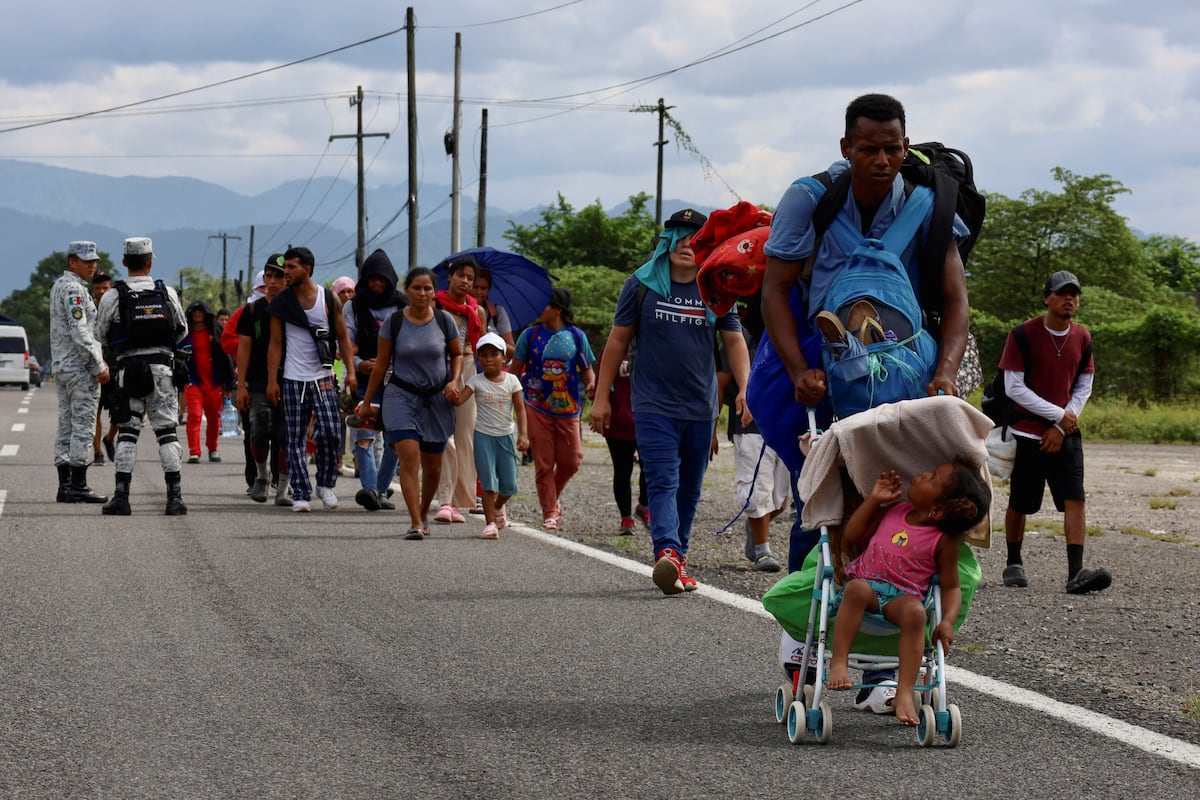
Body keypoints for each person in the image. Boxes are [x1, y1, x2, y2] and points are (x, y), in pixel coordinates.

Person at [760, 93, 972, 708]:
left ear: (906, 149)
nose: (881, 160)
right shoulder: (811, 198)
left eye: (893, 149)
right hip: (822, 373)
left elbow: (955, 300)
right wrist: (799, 369)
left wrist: (947, 372)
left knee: (901, 504)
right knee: (823, 494)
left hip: (909, 371)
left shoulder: (929, 202)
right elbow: (776, 290)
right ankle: (804, 646)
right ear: (845, 147)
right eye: (869, 149)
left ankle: (880, 665)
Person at [590, 209, 751, 594]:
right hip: (652, 404)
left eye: (694, 239)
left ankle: (678, 560)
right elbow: (616, 342)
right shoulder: (640, 286)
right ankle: (668, 551)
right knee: (663, 480)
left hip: (700, 407)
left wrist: (746, 389)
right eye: (678, 237)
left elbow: (734, 342)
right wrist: (601, 398)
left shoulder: (716, 288)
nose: (685, 245)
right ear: (665, 242)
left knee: (690, 488)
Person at [827, 461, 989, 726]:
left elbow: (951, 587)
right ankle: (839, 660)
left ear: (936, 510)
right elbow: (853, 535)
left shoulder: (942, 541)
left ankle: (904, 691)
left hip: (900, 599)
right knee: (855, 588)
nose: (923, 472)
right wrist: (874, 501)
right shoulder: (895, 510)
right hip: (866, 586)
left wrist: (947, 621)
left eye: (933, 478)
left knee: (916, 612)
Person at [999, 270, 1108, 594]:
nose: (1069, 298)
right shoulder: (1022, 334)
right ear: (1047, 298)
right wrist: (1059, 416)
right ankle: (1013, 562)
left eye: (1074, 294)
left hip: (1067, 434)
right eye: (1062, 293)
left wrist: (1063, 424)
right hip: (1029, 433)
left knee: (1075, 498)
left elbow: (1084, 385)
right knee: (1021, 501)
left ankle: (1076, 573)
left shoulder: (1082, 337)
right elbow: (1014, 387)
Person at [355, 267, 463, 539]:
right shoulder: (394, 323)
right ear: (408, 290)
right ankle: (415, 521)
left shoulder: (444, 320)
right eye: (417, 288)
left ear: (433, 292)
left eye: (428, 288)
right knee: (409, 457)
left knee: (434, 465)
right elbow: (381, 365)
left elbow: (457, 354)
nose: (423, 293)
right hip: (401, 395)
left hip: (437, 398)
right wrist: (367, 401)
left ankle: (424, 511)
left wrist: (455, 380)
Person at [94, 237, 189, 515]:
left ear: (124, 262)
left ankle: (122, 498)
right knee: (167, 434)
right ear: (150, 262)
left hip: (128, 371)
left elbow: (100, 334)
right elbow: (181, 330)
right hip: (162, 370)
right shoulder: (166, 292)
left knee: (128, 433)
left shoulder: (113, 295)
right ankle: (174, 498)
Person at [266, 246, 357, 512]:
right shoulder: (281, 303)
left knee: (330, 431)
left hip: (323, 376)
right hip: (293, 379)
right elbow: (275, 343)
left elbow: (343, 337)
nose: (286, 273)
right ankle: (301, 493)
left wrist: (350, 371)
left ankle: (326, 484)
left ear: (307, 269)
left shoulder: (328, 299)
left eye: (291, 267)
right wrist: (273, 380)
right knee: (294, 438)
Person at [510, 288, 596, 531]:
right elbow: (515, 370)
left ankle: (552, 497)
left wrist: (591, 382)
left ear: (557, 309)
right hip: (535, 406)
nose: (538, 309)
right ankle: (549, 512)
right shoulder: (530, 335)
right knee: (544, 463)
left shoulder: (577, 336)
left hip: (569, 408)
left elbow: (586, 367)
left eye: (543, 305)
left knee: (572, 461)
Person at [717, 307, 786, 572]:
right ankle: (762, 550)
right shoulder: (739, 333)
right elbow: (721, 381)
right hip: (750, 423)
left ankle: (756, 526)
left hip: (786, 423)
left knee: (783, 499)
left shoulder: (790, 331)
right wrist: (711, 426)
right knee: (756, 490)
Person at [50, 241, 111, 504]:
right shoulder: (74, 290)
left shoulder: (59, 286)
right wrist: (99, 364)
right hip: (80, 368)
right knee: (83, 427)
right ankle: (77, 484)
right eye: (86, 261)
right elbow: (80, 332)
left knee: (65, 425)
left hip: (63, 368)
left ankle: (65, 486)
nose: (92, 265)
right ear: (71, 261)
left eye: (94, 261)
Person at [345, 249, 406, 511]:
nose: (377, 284)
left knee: (395, 438)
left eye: (382, 279)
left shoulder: (403, 305)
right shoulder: (353, 306)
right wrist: (359, 364)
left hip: (398, 379)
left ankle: (381, 490)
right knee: (364, 433)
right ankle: (369, 487)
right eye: (372, 279)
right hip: (364, 378)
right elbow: (347, 341)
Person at [452, 331, 528, 539]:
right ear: (478, 358)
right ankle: (490, 524)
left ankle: (496, 507)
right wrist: (451, 389)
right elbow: (459, 401)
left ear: (504, 357)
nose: (488, 359)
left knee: (509, 486)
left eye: (494, 354)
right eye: (483, 355)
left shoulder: (512, 380)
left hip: (505, 436)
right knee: (488, 483)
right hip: (483, 436)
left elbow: (520, 409)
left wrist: (524, 435)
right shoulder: (475, 381)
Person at [431, 255, 487, 524]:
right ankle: (444, 499)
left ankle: (458, 500)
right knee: (444, 435)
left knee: (466, 438)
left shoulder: (478, 312)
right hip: (439, 369)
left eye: (470, 278)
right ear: (450, 276)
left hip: (467, 369)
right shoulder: (435, 306)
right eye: (461, 275)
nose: (465, 281)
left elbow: (481, 348)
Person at [235, 258, 290, 504]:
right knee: (259, 431)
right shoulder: (252, 311)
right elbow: (244, 349)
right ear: (264, 279)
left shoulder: (297, 311)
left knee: (287, 437)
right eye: (269, 276)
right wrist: (240, 386)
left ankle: (284, 489)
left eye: (279, 276)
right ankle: (261, 477)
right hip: (258, 383)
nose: (273, 281)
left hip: (291, 381)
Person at [588, 344, 648, 534]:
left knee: (651, 467)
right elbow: (600, 383)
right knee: (622, 470)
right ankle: (626, 518)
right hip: (618, 421)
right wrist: (599, 406)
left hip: (647, 419)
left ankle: (644, 506)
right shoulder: (612, 347)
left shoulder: (650, 343)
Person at [181, 301, 235, 463]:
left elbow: (226, 357)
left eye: (200, 311)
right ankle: (194, 451)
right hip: (193, 381)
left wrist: (229, 383)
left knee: (213, 417)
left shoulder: (215, 331)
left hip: (214, 382)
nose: (197, 314)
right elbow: (177, 355)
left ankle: (213, 448)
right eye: (194, 311)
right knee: (194, 415)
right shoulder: (185, 333)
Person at [90, 270, 117, 466]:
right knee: (95, 412)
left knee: (121, 411)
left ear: (112, 288)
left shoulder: (120, 308)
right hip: (95, 367)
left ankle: (109, 438)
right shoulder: (88, 308)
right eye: (98, 288)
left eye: (105, 288)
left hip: (116, 365)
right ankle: (97, 451)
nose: (101, 291)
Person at [471, 268, 516, 358]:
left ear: (488, 290)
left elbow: (511, 349)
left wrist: (494, 343)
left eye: (483, 288)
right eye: (475, 287)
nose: (479, 292)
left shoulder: (497, 312)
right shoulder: (458, 311)